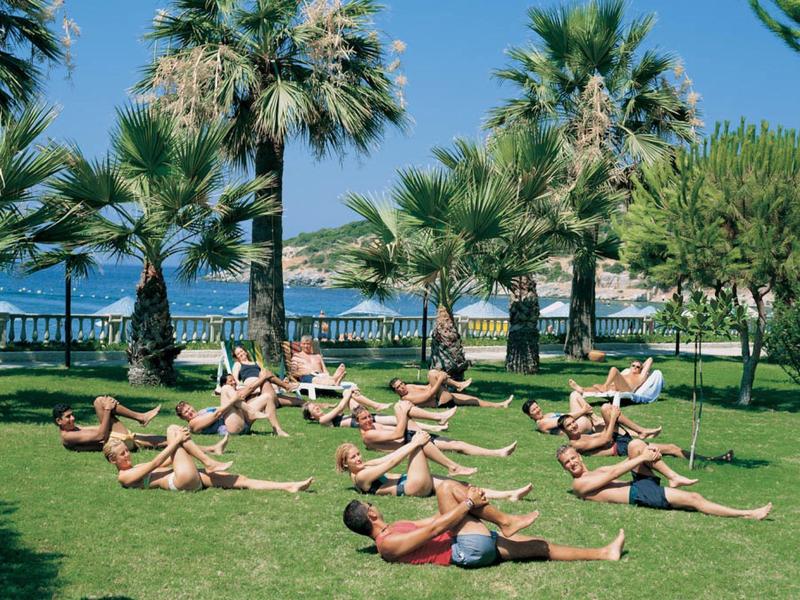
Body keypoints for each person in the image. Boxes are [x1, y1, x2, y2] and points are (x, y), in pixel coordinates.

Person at [342, 481, 625, 567]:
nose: (375, 505)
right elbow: (435, 529)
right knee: (444, 489)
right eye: (371, 506)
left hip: (469, 540)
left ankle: (603, 552)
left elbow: (432, 520)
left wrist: (469, 501)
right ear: (371, 516)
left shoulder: (398, 526)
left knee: (540, 547)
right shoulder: (387, 545)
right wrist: (466, 504)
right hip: (466, 550)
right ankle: (506, 521)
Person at [557, 442, 772, 519]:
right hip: (638, 494)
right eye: (567, 463)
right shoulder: (579, 486)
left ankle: (673, 476)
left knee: (636, 444)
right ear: (564, 467)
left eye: (573, 458)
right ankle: (749, 513)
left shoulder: (596, 469)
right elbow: (613, 475)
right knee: (695, 498)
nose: (572, 463)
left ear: (580, 456)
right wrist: (642, 459)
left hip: (636, 484)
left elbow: (616, 468)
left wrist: (641, 452)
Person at [103, 425, 314, 493]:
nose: (127, 454)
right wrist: (176, 442)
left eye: (126, 450)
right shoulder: (124, 477)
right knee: (172, 429)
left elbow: (166, 462)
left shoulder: (132, 466)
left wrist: (182, 447)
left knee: (241, 480)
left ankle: (289, 486)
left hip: (187, 475)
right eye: (122, 453)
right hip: (180, 480)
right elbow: (156, 464)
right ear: (113, 460)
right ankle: (209, 460)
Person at [336, 431, 532, 501]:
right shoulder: (361, 478)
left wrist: (410, 444)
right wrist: (412, 444)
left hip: (413, 482)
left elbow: (393, 455)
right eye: (354, 457)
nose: (359, 458)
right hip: (411, 487)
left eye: (358, 454)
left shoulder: (364, 468)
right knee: (419, 442)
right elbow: (391, 463)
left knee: (462, 487)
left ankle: (508, 494)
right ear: (345, 463)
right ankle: (452, 465)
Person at [53, 397, 227, 455]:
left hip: (120, 439)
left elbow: (100, 430)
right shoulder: (67, 436)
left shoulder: (73, 429)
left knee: (168, 441)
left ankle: (212, 448)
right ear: (59, 421)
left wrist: (109, 414)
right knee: (100, 402)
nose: (73, 419)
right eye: (68, 417)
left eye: (72, 415)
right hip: (114, 442)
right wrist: (107, 411)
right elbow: (99, 436)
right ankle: (141, 417)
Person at [557, 404, 731, 461]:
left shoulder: (581, 436)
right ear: (564, 431)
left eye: (573, 422)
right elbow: (606, 438)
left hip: (618, 440)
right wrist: (614, 418)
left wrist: (611, 418)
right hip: (621, 446)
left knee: (606, 408)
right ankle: (712, 459)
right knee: (671, 448)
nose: (573, 425)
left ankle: (641, 431)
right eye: (569, 426)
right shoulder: (577, 443)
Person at [356, 402, 517, 460]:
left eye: (370, 416)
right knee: (456, 444)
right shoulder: (369, 435)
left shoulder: (372, 427)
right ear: (357, 422)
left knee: (402, 405)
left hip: (409, 435)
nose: (369, 420)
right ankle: (497, 453)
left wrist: (403, 411)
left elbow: (399, 430)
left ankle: (439, 417)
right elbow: (397, 435)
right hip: (410, 441)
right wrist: (402, 414)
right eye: (365, 419)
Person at [177, 370, 290, 437]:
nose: (189, 412)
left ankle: (277, 430)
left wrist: (235, 400)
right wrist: (232, 400)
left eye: (189, 408)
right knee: (226, 388)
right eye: (186, 413)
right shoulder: (193, 424)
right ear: (183, 418)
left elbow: (225, 407)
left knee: (267, 397)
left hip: (241, 420)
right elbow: (217, 414)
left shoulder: (202, 411)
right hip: (233, 428)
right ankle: (252, 411)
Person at [303, 388, 456, 429]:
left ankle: (438, 421)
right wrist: (348, 393)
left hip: (360, 417)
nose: (317, 408)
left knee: (399, 419)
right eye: (314, 410)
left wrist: (350, 393)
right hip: (361, 421)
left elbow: (342, 406)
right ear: (311, 417)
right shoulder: (323, 420)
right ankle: (437, 421)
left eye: (316, 406)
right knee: (399, 420)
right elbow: (342, 406)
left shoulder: (326, 415)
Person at [523, 395, 661, 438]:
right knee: (609, 419)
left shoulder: (547, 415)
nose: (537, 409)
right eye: (533, 410)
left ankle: (641, 433)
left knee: (574, 395)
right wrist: (583, 411)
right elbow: (563, 420)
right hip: (579, 427)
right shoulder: (540, 424)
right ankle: (641, 431)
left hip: (582, 422)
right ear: (530, 415)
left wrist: (583, 411)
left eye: (537, 406)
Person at [389, 370, 511, 409]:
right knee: (432, 373)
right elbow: (429, 395)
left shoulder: (409, 386)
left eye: (401, 384)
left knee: (473, 400)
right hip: (439, 402)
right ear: (395, 392)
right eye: (398, 388)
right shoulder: (406, 398)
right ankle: (458, 385)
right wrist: (439, 379)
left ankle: (501, 404)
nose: (402, 387)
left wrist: (440, 378)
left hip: (442, 396)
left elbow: (427, 387)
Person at [569, 357, 653, 394]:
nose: (635, 367)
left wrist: (642, 367)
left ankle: (604, 386)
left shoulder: (640, 376)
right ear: (630, 366)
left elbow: (650, 359)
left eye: (637, 367)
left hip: (628, 389)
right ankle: (582, 389)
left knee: (614, 369)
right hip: (619, 387)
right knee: (598, 388)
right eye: (633, 365)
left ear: (640, 369)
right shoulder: (626, 373)